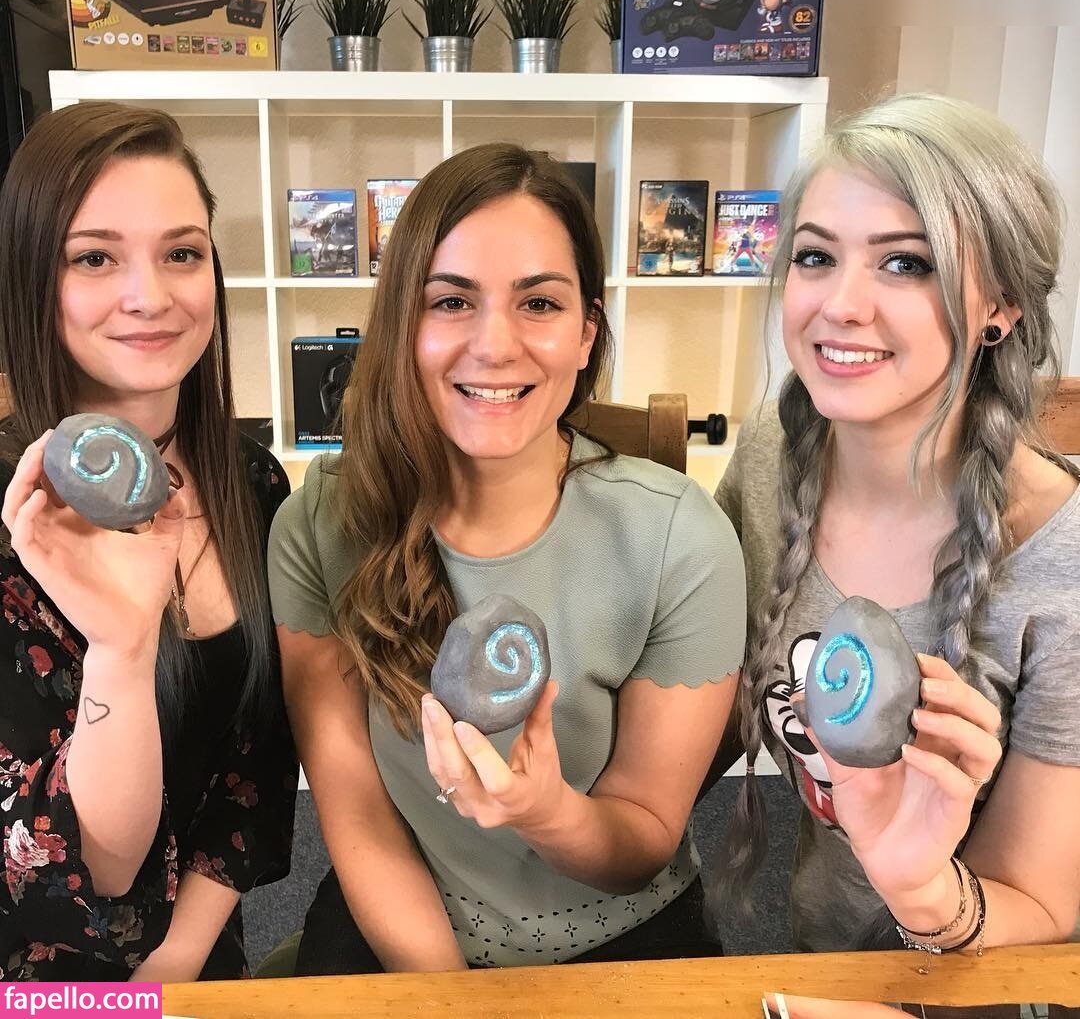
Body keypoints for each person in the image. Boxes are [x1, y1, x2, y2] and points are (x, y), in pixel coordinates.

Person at [268, 143, 746, 973]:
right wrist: (450, 999)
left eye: (539, 303)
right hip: (404, 920)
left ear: (587, 331)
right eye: (452, 301)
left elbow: (641, 838)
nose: (495, 345)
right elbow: (358, 815)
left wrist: (546, 811)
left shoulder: (683, 540)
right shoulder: (320, 524)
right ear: (403, 325)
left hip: (620, 930)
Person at [711, 93, 1080, 955]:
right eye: (816, 256)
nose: (842, 304)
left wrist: (920, 888)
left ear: (1001, 306)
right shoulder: (768, 456)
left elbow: (1041, 909)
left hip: (969, 982)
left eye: (906, 263)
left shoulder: (1063, 564)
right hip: (805, 958)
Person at [0, 102, 298, 982]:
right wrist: (121, 653)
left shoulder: (252, 481)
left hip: (194, 959)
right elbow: (86, 867)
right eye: (95, 257)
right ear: (32, 278)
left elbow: (255, 760)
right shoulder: (13, 515)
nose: (152, 295)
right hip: (38, 976)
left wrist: (185, 955)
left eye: (182, 253)